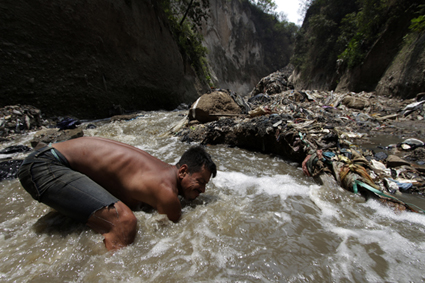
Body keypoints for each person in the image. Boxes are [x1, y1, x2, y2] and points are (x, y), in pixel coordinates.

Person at [17, 137, 217, 250]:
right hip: (43, 166)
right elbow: (173, 232)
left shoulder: (162, 171)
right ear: (182, 171)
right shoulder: (166, 193)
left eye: (205, 185)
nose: (202, 190)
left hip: (47, 159)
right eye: (200, 182)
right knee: (124, 222)